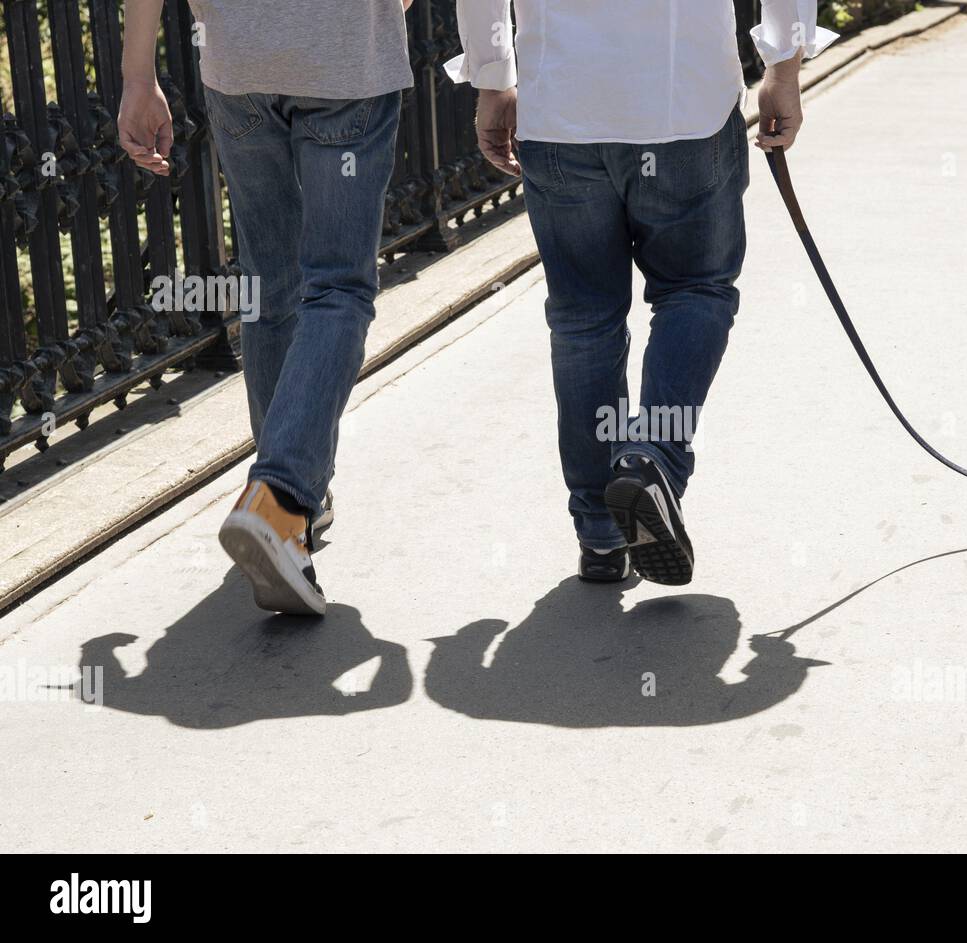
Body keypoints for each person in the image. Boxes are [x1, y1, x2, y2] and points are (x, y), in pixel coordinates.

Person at [448, 1, 837, 585]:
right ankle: (651, 457)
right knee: (695, 290)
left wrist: (493, 79)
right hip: (685, 106)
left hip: (562, 111)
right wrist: (783, 66)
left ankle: (600, 531)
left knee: (584, 318)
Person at [118, 1, 415, 614]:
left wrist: (138, 78)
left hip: (239, 62)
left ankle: (288, 507)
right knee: (337, 288)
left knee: (269, 283)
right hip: (344, 59)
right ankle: (279, 495)